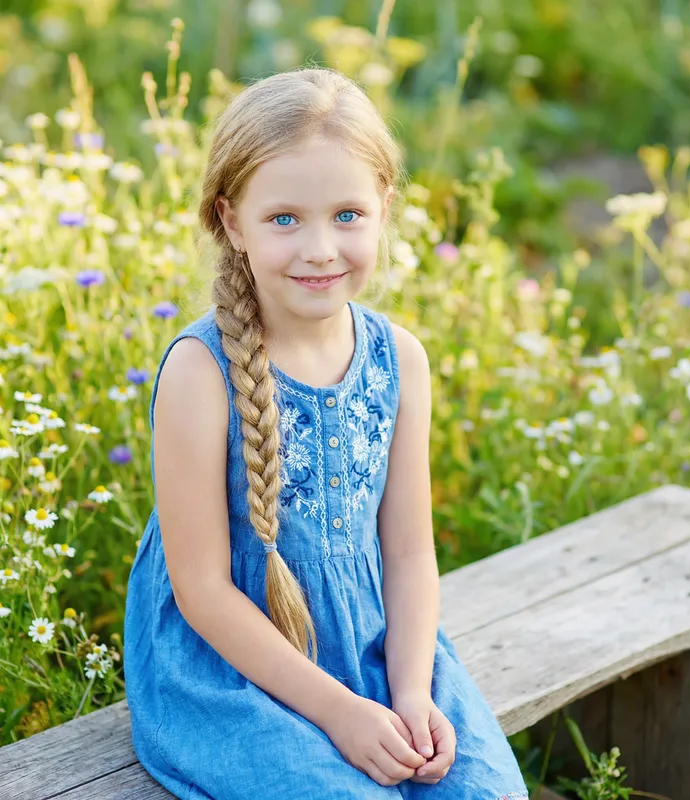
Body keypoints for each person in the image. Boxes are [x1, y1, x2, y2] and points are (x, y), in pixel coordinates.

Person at [123, 67, 529, 800]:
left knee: (483, 791)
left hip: (375, 644)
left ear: (384, 209)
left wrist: (409, 692)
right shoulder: (200, 371)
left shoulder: (399, 359)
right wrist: (340, 714)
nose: (320, 249)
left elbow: (408, 553)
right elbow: (203, 591)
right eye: (285, 219)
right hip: (230, 668)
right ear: (231, 222)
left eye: (348, 215)